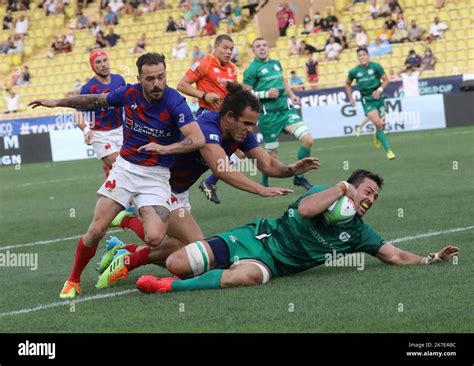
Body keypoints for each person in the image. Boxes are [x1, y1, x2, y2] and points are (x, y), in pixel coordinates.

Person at [95, 84, 320, 287]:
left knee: (188, 260)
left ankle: (127, 249)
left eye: (254, 124)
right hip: (157, 185)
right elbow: (221, 167)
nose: (251, 129)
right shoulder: (206, 125)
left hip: (178, 192)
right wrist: (260, 189)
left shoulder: (239, 133)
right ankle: (129, 259)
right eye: (247, 123)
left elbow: (268, 164)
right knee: (199, 254)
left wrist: (291, 169)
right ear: (229, 117)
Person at [28, 53, 205, 299]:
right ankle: (73, 280)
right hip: (125, 169)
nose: (157, 84)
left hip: (156, 176)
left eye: (161, 77)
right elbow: (95, 100)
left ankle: (126, 237)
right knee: (96, 230)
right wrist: (57, 102)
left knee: (155, 238)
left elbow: (197, 139)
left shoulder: (175, 101)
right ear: (139, 79)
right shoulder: (129, 93)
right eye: (150, 79)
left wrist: (164, 148)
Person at [133, 169, 459, 294]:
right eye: (367, 191)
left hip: (271, 264)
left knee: (248, 277)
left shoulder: (360, 233)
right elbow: (305, 210)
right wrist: (339, 189)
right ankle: (131, 255)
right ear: (351, 188)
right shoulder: (321, 191)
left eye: (375, 196)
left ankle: (169, 288)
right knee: (177, 260)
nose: (370, 199)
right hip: (254, 238)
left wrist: (431, 259)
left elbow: (396, 255)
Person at [244, 37, 315, 190]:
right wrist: (265, 94)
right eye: (258, 46)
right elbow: (246, 93)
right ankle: (264, 182)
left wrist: (292, 95)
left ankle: (299, 178)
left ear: (268, 47)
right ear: (253, 50)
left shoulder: (276, 63)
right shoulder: (251, 69)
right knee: (272, 155)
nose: (262, 48)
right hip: (268, 116)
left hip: (286, 111)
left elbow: (283, 81)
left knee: (308, 139)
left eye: (264, 45)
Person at [177, 34, 239, 204]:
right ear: (215, 47)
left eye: (231, 49)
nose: (228, 52)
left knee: (238, 152)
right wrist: (204, 95)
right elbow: (182, 85)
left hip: (225, 120)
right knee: (199, 158)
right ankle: (176, 189)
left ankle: (209, 182)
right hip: (207, 117)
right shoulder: (205, 63)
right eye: (225, 48)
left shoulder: (233, 69)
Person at [72, 50, 126, 178]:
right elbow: (77, 113)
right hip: (100, 135)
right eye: (98, 62)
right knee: (122, 169)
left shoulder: (119, 80)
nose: (103, 64)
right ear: (92, 66)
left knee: (117, 175)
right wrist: (85, 130)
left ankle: (107, 194)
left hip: (122, 130)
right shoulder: (88, 88)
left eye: (105, 60)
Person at [345, 47, 396, 160]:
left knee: (382, 125)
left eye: (364, 55)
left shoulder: (376, 67)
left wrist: (379, 90)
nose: (362, 57)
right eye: (360, 55)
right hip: (367, 100)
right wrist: (351, 98)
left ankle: (377, 135)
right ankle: (388, 151)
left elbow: (386, 80)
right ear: (358, 58)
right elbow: (347, 84)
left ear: (368, 56)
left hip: (379, 98)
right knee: (378, 124)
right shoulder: (354, 71)